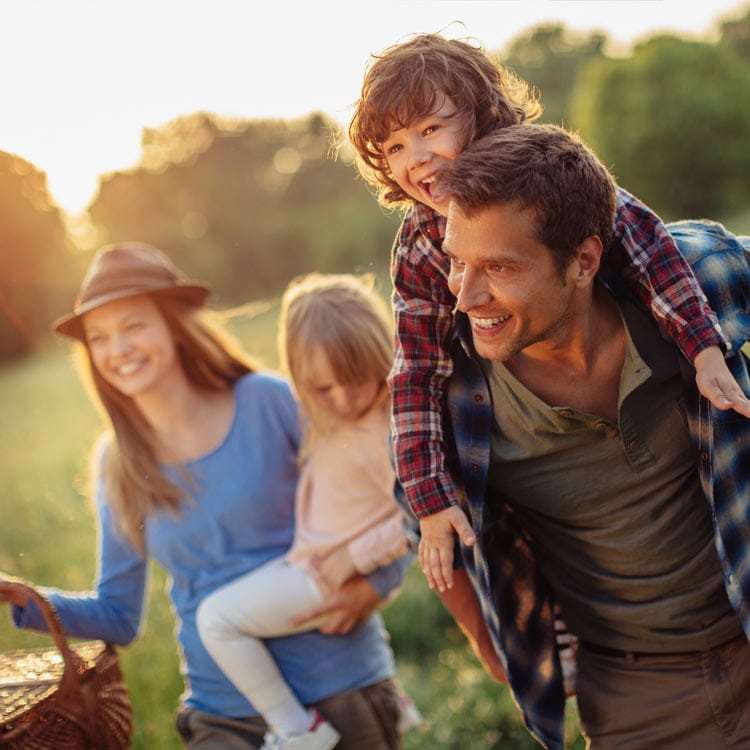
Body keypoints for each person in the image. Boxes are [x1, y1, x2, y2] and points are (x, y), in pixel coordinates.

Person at [347, 33, 750, 602]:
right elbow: (415, 371)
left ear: (483, 115)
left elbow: (649, 251)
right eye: (394, 146)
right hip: (518, 385)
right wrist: (430, 500)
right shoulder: (418, 242)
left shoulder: (553, 175)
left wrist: (704, 349)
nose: (416, 157)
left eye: (430, 129)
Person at [0, 243, 410, 750]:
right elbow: (119, 616)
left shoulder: (266, 401)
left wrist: (379, 582)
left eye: (134, 325)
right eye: (99, 338)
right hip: (223, 713)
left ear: (173, 324)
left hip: (339, 686)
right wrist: (24, 598)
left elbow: (381, 486)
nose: (118, 348)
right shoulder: (118, 464)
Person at [433, 123, 750, 748]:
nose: (466, 296)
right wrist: (494, 648)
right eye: (455, 261)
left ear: (583, 260)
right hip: (637, 703)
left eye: (497, 266)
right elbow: (417, 522)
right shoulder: (449, 401)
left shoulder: (701, 282)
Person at [196, 273, 415, 750]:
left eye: (356, 381)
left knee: (216, 620)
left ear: (381, 355)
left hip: (325, 573)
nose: (342, 399)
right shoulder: (324, 417)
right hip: (313, 563)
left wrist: (355, 560)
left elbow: (420, 517)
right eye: (322, 388)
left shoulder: (386, 433)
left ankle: (297, 730)